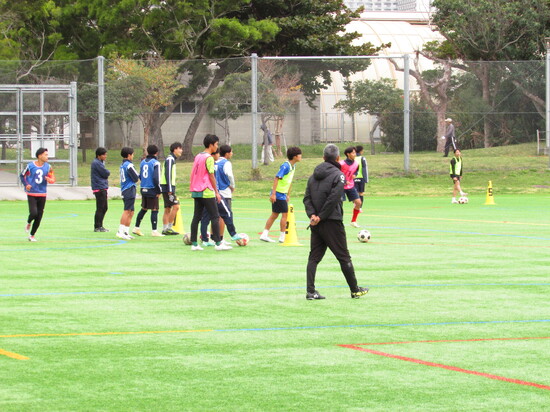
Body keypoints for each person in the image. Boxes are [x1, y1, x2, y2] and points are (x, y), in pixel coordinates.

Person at [303, 144, 369, 300]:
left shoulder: (312, 177)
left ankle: (310, 292)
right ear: (338, 158)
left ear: (323, 158)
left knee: (314, 257)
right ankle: (355, 290)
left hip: (316, 223)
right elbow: (333, 199)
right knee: (344, 256)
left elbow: (307, 198)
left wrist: (313, 215)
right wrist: (321, 216)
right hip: (332, 221)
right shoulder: (339, 176)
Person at [189, 134, 231, 251]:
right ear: (211, 144)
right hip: (206, 190)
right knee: (215, 216)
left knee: (196, 217)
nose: (217, 147)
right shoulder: (209, 158)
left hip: (196, 190)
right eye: (216, 144)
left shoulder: (198, 156)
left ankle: (194, 244)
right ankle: (218, 243)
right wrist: (216, 192)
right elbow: (211, 175)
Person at [199, 145, 242, 246]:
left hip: (207, 192)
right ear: (226, 153)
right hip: (221, 192)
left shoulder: (213, 162)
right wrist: (232, 186)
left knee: (208, 217)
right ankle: (223, 237)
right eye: (231, 152)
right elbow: (229, 175)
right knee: (225, 214)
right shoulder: (224, 163)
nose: (232, 154)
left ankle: (208, 239)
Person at [259, 146, 302, 243]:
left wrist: (288, 194)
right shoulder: (286, 166)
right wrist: (273, 194)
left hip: (283, 194)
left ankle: (264, 234)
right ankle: (282, 237)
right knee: (284, 215)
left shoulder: (293, 166)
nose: (301, 156)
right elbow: (276, 178)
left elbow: (289, 181)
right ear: (295, 156)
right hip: (278, 193)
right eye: (300, 155)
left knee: (274, 214)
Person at [20, 147, 55, 242]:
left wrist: (50, 180)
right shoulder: (30, 166)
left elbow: (53, 179)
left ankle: (32, 235)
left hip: (42, 194)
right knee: (33, 213)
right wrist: (26, 184)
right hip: (32, 193)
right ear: (39, 156)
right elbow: (22, 175)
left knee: (39, 216)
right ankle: (28, 222)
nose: (47, 157)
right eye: (45, 155)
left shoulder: (48, 167)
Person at [133, 145, 164, 237]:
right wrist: (159, 190)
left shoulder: (142, 162)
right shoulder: (156, 163)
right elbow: (156, 178)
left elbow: (140, 176)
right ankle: (154, 231)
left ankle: (136, 227)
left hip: (143, 188)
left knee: (144, 208)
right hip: (152, 189)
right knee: (155, 209)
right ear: (156, 153)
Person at [116, 147, 139, 240]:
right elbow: (136, 178)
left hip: (127, 189)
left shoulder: (123, 164)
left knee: (131, 211)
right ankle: (120, 231)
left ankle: (126, 231)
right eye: (132, 154)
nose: (133, 156)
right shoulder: (129, 165)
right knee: (127, 210)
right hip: (128, 189)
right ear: (129, 155)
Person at [161, 142, 183, 235]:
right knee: (176, 206)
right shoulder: (170, 159)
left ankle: (165, 229)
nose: (181, 150)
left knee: (167, 208)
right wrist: (170, 189)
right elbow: (168, 174)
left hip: (166, 186)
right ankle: (169, 228)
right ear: (175, 149)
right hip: (168, 187)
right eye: (180, 148)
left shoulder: (171, 159)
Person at [339, 146, 362, 228]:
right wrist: (344, 181)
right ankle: (338, 222)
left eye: (355, 152)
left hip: (351, 186)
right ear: (348, 154)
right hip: (341, 186)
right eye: (353, 153)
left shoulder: (356, 163)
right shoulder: (341, 164)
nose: (355, 154)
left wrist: (355, 174)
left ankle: (353, 221)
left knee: (358, 203)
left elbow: (356, 170)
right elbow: (336, 173)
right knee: (339, 204)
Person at [91, 147, 110, 232]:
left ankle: (100, 225)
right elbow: (105, 173)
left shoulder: (99, 163)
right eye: (104, 155)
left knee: (104, 207)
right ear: (99, 155)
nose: (105, 156)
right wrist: (108, 172)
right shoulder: (97, 163)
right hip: (99, 188)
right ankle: (97, 226)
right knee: (101, 208)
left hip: (102, 187)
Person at [354, 145, 369, 210]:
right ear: (361, 151)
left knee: (355, 193)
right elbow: (365, 169)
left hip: (353, 178)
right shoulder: (362, 158)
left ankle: (355, 206)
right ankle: (360, 207)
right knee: (361, 193)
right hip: (361, 177)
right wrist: (366, 179)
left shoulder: (353, 158)